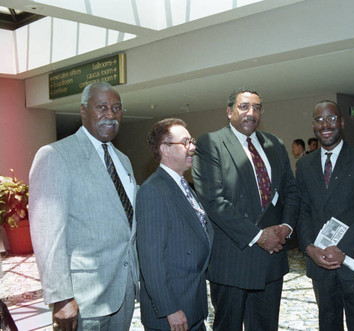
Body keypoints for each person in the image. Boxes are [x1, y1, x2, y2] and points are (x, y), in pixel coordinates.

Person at [29, 82, 139, 331]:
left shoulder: (124, 160)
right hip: (83, 298)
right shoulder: (55, 155)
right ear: (83, 111)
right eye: (101, 107)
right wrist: (61, 297)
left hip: (123, 291)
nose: (110, 114)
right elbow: (48, 234)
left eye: (117, 108)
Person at [192, 87, 299, 331]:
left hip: (272, 258)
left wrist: (286, 227)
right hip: (233, 260)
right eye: (244, 107)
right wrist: (259, 236)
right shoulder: (210, 144)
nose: (251, 113)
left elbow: (290, 192)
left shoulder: (274, 143)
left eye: (257, 108)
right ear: (229, 112)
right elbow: (214, 202)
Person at [296, 100, 354, 331]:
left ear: (341, 122)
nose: (325, 124)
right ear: (313, 125)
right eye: (319, 119)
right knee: (328, 322)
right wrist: (308, 247)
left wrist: (342, 248)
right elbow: (302, 209)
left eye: (331, 118)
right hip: (320, 260)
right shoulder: (304, 166)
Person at [136, 118, 213, 331]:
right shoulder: (153, 190)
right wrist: (170, 308)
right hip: (171, 314)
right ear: (165, 149)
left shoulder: (183, 186)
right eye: (186, 142)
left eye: (192, 141)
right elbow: (151, 260)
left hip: (192, 303)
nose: (193, 147)